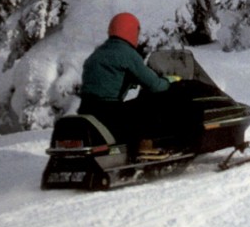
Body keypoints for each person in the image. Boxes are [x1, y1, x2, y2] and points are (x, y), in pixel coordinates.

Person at [78, 12, 182, 157]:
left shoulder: (98, 53)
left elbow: (107, 79)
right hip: (109, 113)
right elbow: (155, 86)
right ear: (131, 31)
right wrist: (169, 80)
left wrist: (131, 81)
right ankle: (145, 145)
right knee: (148, 105)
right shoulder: (127, 53)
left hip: (86, 109)